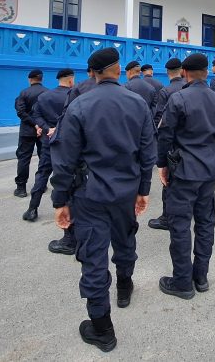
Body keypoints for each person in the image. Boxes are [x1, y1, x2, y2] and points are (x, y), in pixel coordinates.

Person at [50, 47, 156, 353]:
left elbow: (65, 161)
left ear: (94, 74)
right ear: (119, 69)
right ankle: (124, 286)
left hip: (90, 195)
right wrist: (143, 189)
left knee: (93, 258)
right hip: (125, 192)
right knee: (125, 241)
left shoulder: (80, 105)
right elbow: (148, 152)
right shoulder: (137, 103)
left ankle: (102, 328)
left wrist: (60, 201)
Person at [155, 54, 215, 299]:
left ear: (184, 72)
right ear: (206, 72)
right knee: (206, 222)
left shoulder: (178, 98)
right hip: (209, 169)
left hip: (184, 171)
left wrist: (162, 164)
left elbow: (165, 134)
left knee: (180, 225)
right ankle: (201, 277)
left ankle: (183, 282)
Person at [47, 66, 97, 255]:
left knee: (74, 196)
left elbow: (67, 121)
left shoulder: (79, 90)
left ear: (90, 71)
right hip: (112, 164)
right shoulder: (123, 93)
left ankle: (71, 240)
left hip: (81, 158)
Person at [23, 68, 74, 221]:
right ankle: (69, 210)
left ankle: (32, 209)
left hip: (48, 141)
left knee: (43, 173)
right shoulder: (74, 96)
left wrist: (47, 129)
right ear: (71, 80)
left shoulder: (45, 96)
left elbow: (36, 115)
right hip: (69, 142)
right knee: (70, 176)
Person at [148, 58, 185, 231]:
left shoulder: (166, 91)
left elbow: (161, 121)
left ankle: (167, 217)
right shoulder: (189, 87)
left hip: (173, 143)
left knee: (168, 181)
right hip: (192, 143)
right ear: (182, 71)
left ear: (167, 72)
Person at [13, 69, 49, 198]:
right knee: (43, 157)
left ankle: (21, 188)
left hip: (27, 131)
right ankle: (41, 184)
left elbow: (20, 112)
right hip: (44, 131)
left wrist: (33, 124)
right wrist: (40, 125)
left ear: (30, 79)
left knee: (23, 158)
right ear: (41, 79)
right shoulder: (47, 93)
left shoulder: (24, 93)